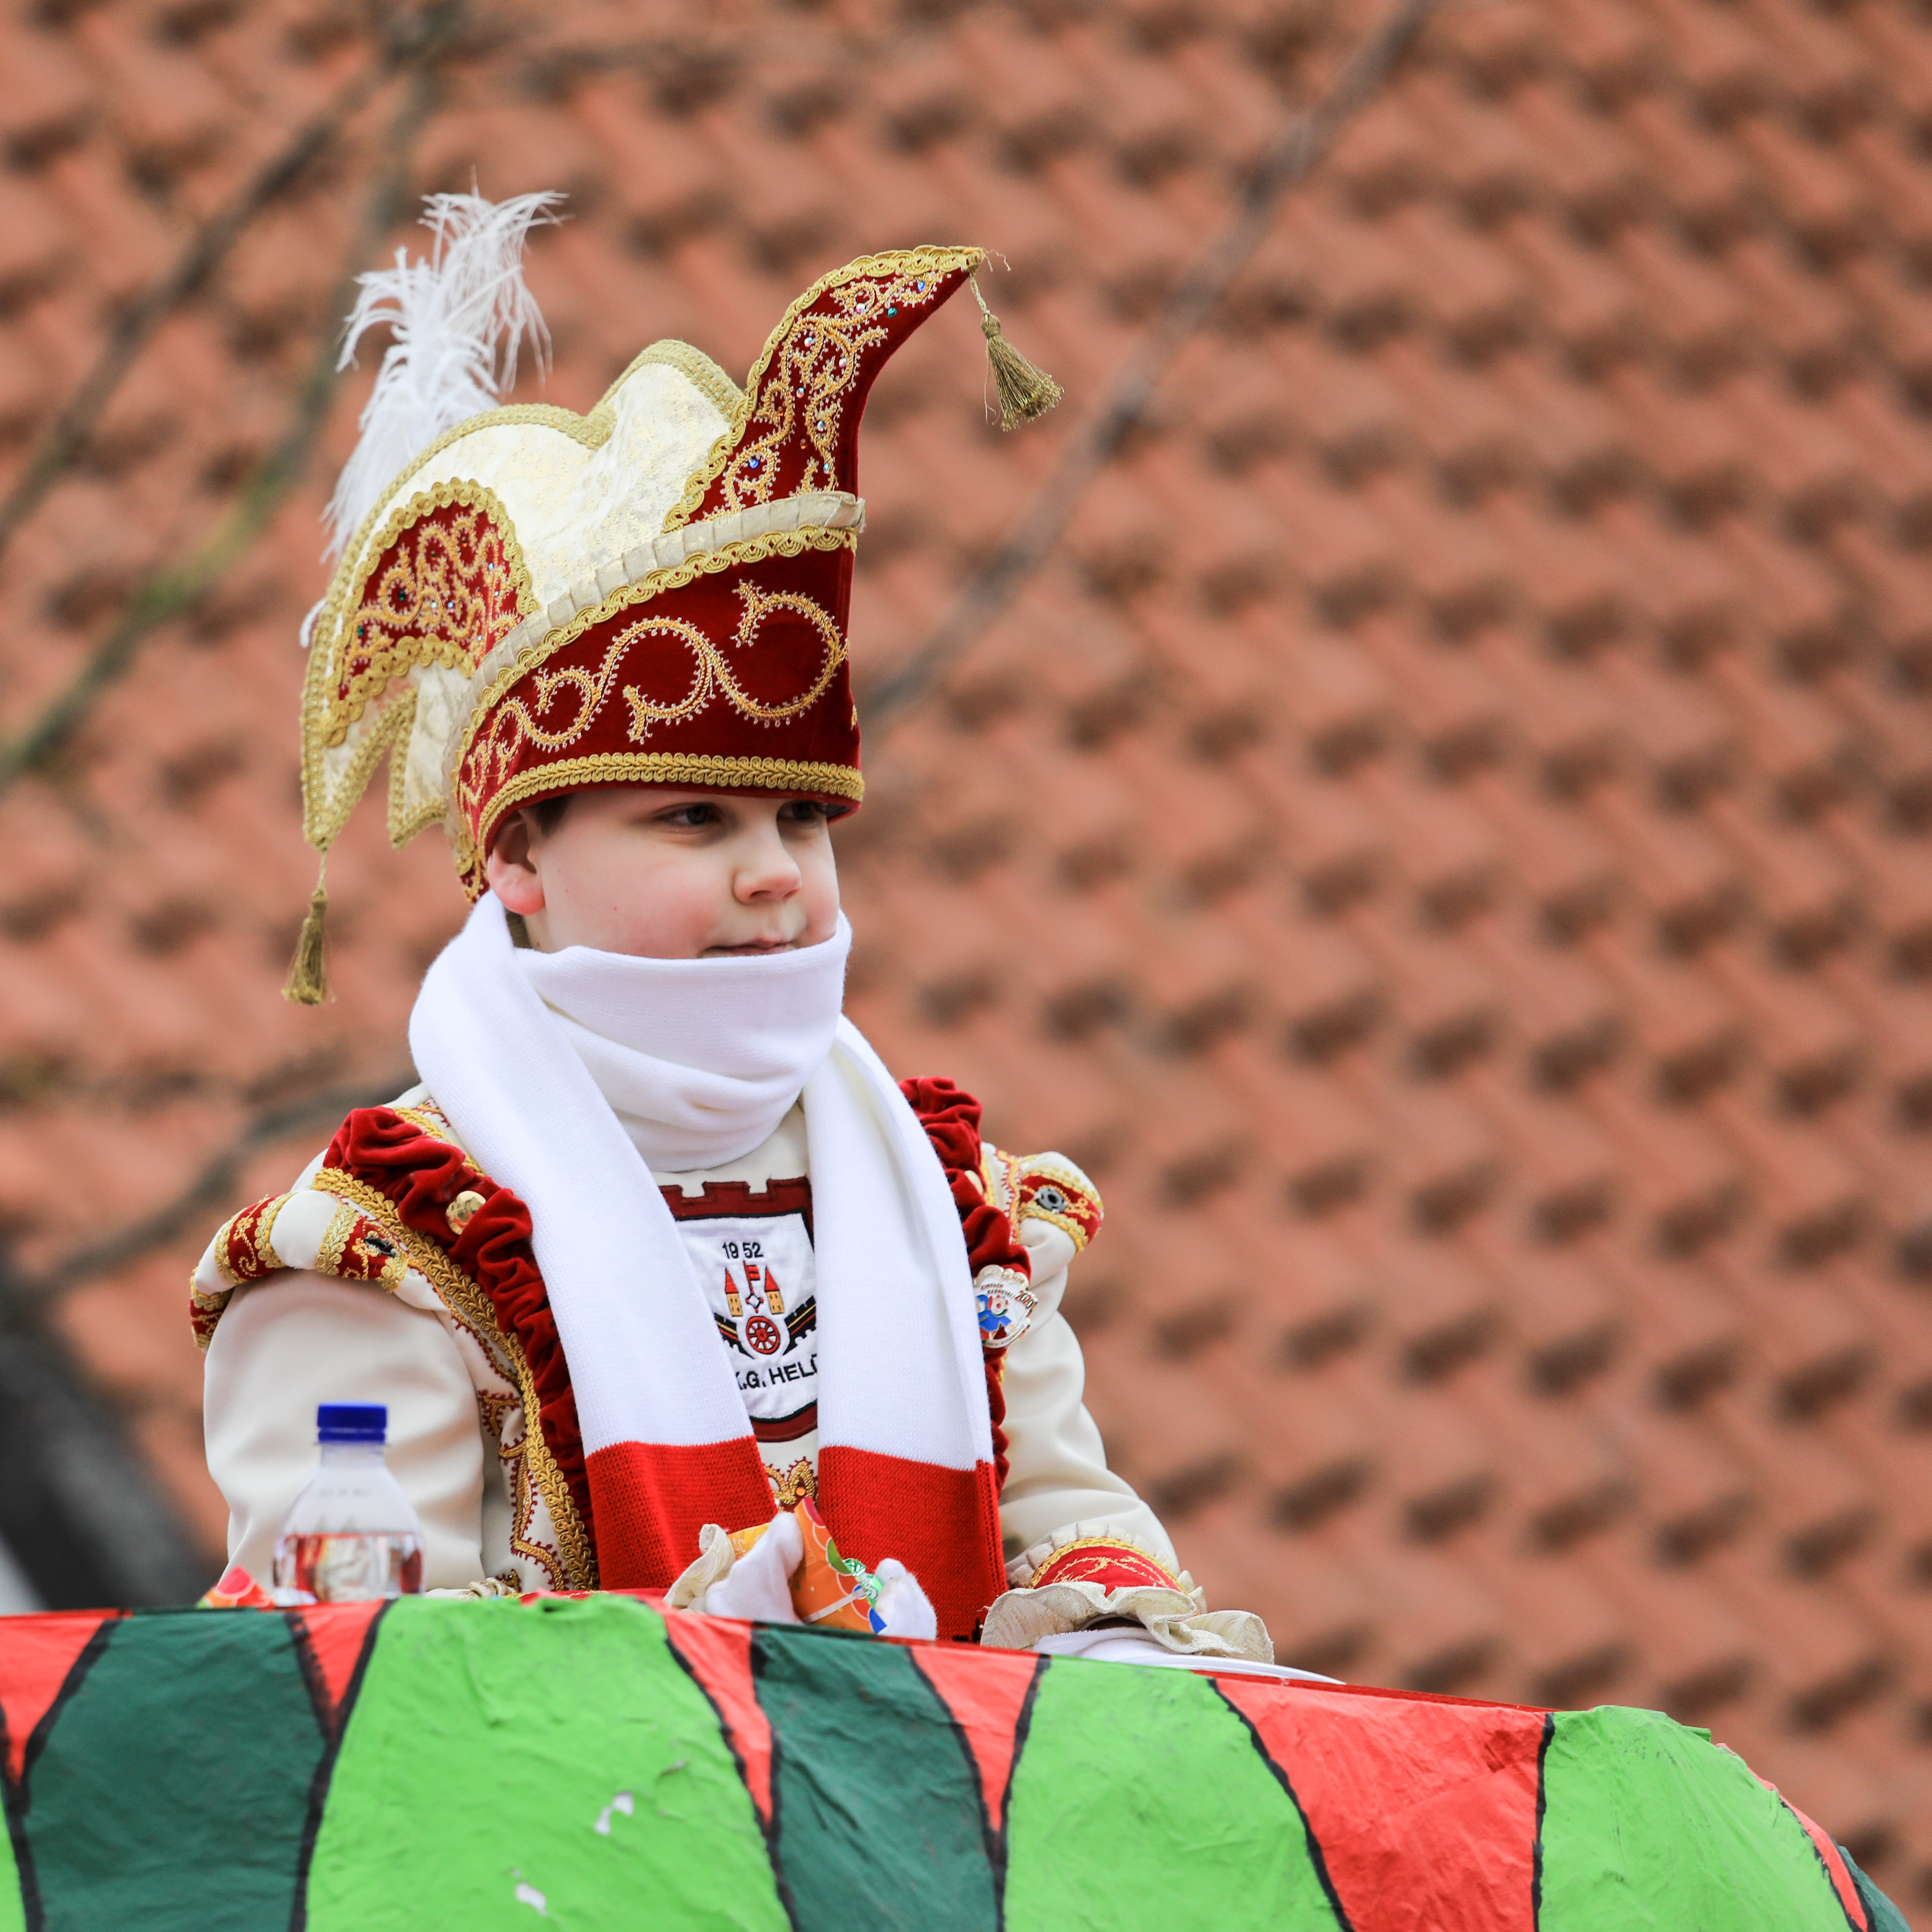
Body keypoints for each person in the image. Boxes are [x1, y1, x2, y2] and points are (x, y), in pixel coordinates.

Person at [191, 192, 1271, 1662]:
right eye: (696, 820)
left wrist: (1108, 1638)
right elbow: (353, 1695)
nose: (776, 875)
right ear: (517, 856)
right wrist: (699, 1671)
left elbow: (1085, 1548)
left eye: (803, 821)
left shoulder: (964, 1213)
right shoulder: (384, 1253)